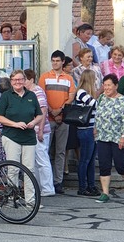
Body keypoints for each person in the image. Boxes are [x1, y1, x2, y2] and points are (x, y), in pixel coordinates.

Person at [0, 69, 43, 205]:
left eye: (20, 79)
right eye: (15, 80)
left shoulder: (31, 95)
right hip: (11, 136)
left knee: (29, 169)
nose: (18, 82)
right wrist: (15, 124)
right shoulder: (6, 96)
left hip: (28, 136)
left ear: (24, 81)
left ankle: (30, 200)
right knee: (13, 168)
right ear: (11, 81)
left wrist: (33, 122)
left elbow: (39, 114)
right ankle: (12, 198)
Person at [94, 74, 124, 203]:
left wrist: (123, 137)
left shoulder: (122, 101)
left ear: (116, 86)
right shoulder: (101, 98)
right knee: (104, 165)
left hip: (117, 137)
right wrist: (95, 128)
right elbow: (98, 115)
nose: (106, 88)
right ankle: (105, 193)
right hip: (103, 136)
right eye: (105, 85)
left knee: (121, 167)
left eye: (109, 85)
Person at [39, 50, 75, 194]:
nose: (55, 63)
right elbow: (41, 96)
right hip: (47, 119)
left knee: (60, 151)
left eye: (58, 61)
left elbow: (71, 96)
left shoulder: (69, 78)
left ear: (62, 62)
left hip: (63, 119)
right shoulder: (44, 77)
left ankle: (58, 181)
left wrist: (60, 110)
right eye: (53, 61)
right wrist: (51, 110)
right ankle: (46, 182)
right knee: (45, 151)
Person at [25, 68, 55, 198]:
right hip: (33, 131)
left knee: (42, 159)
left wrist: (41, 130)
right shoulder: (29, 92)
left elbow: (43, 112)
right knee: (36, 160)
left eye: (24, 79)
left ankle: (48, 188)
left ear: (31, 80)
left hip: (39, 131)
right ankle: (38, 186)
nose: (22, 82)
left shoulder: (37, 92)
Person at [73, 70, 100, 197]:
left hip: (91, 130)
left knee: (90, 160)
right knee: (85, 159)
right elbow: (94, 104)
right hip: (85, 130)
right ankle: (82, 186)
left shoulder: (88, 93)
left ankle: (91, 185)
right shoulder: (81, 92)